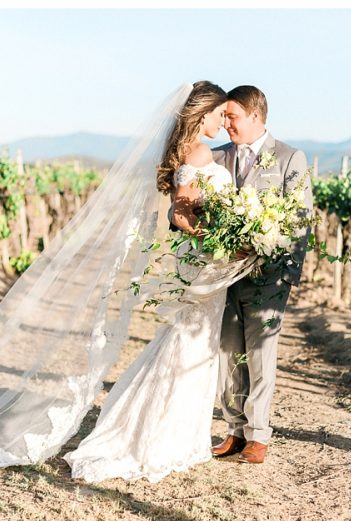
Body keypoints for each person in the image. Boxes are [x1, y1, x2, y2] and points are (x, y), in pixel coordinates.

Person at [63, 81, 257, 482]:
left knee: (191, 343)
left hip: (205, 264)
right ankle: (163, 435)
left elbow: (187, 212)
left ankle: (179, 431)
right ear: (201, 113)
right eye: (220, 114)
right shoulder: (199, 152)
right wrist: (222, 242)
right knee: (190, 345)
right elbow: (183, 217)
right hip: (205, 262)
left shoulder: (188, 151)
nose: (224, 121)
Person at [209, 86, 313, 464]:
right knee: (227, 354)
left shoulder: (289, 158)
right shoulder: (217, 158)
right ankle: (234, 430)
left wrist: (287, 276)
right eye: (223, 117)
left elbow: (301, 220)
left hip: (269, 277)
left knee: (259, 356)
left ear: (256, 116)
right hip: (224, 276)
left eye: (232, 117)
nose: (226, 125)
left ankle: (259, 435)